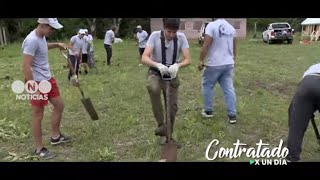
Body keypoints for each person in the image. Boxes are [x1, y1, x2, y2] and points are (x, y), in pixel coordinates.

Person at [21, 18, 72, 159]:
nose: (53, 31)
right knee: (38, 115)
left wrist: (56, 44)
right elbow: (26, 66)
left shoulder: (41, 37)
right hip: (37, 82)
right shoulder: (31, 40)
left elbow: (42, 47)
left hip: (48, 79)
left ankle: (55, 137)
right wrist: (33, 87)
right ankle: (39, 149)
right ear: (43, 25)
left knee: (59, 105)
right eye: (51, 28)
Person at [141, 18, 191, 146]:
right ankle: (161, 125)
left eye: (174, 32)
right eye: (169, 31)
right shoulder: (154, 36)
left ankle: (169, 136)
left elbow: (187, 59)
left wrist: (178, 66)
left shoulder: (181, 38)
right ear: (164, 27)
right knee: (153, 88)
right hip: (156, 72)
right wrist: (157, 65)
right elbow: (144, 57)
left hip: (172, 74)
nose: (171, 35)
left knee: (172, 108)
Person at [198, 18, 237, 124]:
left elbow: (206, 45)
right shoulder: (231, 28)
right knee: (228, 88)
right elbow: (234, 47)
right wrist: (233, 60)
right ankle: (232, 115)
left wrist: (201, 60)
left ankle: (208, 111)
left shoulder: (211, 26)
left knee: (207, 85)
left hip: (214, 63)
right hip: (228, 63)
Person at [286, 63, 320, 162]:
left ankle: (292, 157)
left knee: (296, 127)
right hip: (308, 83)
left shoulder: (313, 66)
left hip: (306, 85)